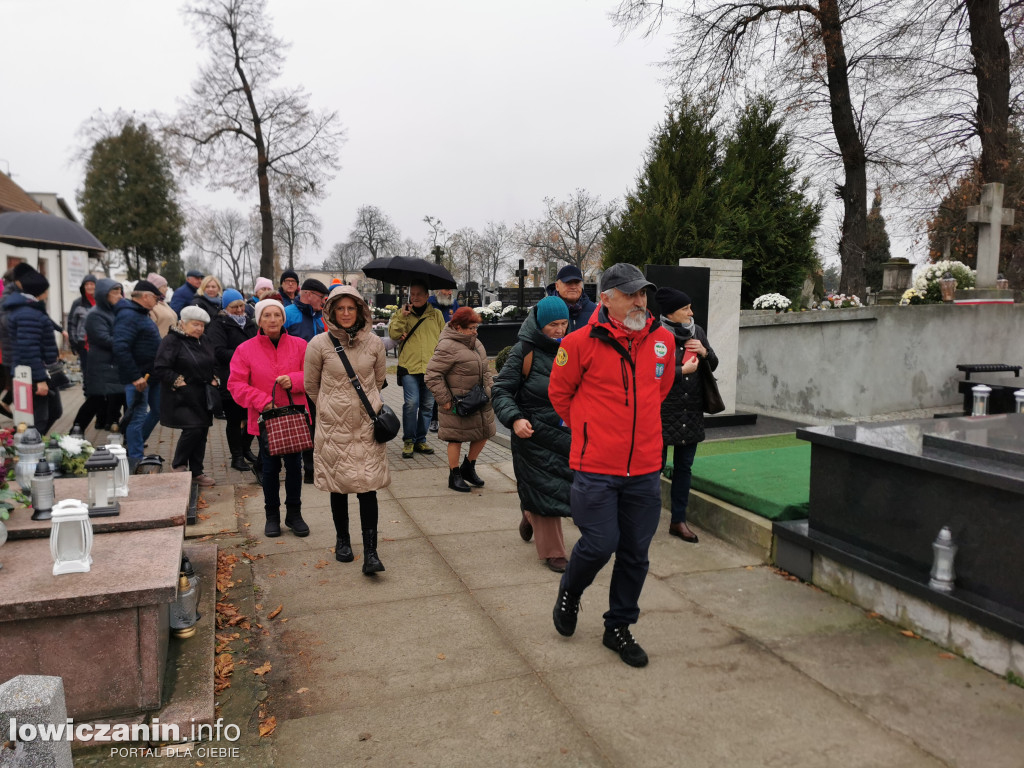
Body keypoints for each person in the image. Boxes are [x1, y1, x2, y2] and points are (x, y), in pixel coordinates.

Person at [547, 262, 675, 668]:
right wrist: (590, 431)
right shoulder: (581, 342)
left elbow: (662, 388)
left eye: (643, 293)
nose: (640, 301)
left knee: (635, 553)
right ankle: (571, 588)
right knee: (600, 543)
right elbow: (560, 394)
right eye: (631, 294)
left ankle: (617, 626)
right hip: (596, 466)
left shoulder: (662, 341)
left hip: (645, 468)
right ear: (606, 299)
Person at [304, 285, 389, 573]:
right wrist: (331, 409)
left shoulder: (375, 343)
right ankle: (343, 540)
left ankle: (371, 552)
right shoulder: (318, 344)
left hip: (366, 426)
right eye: (340, 308)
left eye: (351, 308)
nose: (345, 313)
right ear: (331, 311)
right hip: (334, 428)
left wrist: (363, 407)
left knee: (368, 488)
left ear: (361, 310)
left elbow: (378, 381)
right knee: (338, 487)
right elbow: (311, 387)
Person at [491, 296, 573, 572]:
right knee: (544, 488)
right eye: (553, 325)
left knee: (564, 487)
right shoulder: (523, 350)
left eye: (564, 323)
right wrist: (515, 419)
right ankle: (554, 551)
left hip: (567, 432)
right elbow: (501, 390)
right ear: (539, 324)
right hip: (533, 434)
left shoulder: (573, 348)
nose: (560, 330)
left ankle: (530, 513)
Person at [228, 299, 310, 538]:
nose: (272, 320)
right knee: (270, 469)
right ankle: (271, 515)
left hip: (294, 416)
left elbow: (314, 375)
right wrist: (262, 401)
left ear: (284, 319)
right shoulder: (245, 350)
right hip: (265, 418)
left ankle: (294, 514)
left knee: (295, 467)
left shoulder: (300, 345)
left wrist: (294, 380)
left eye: (277, 315)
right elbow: (236, 384)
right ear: (259, 321)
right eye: (267, 316)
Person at [656, 287, 718, 544]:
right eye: (685, 308)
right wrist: (681, 369)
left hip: (690, 410)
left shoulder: (698, 331)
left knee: (685, 468)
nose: (691, 313)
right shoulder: (656, 334)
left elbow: (712, 364)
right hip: (661, 411)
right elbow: (652, 372)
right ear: (671, 312)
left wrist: (704, 352)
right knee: (652, 469)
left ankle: (678, 521)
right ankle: (643, 519)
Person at [425, 307, 496, 492]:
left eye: (476, 327)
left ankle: (468, 467)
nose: (475, 331)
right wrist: (445, 400)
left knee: (484, 433)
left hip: (480, 401)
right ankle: (454, 474)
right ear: (458, 327)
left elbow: (486, 369)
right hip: (458, 402)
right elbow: (432, 375)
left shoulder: (476, 342)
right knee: (456, 439)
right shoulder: (447, 346)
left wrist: (489, 390)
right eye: (471, 327)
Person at [153, 306, 218, 486]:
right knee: (193, 429)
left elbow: (213, 361)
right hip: (181, 395)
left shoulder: (204, 340)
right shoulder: (172, 340)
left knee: (202, 431)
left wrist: (214, 378)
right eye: (195, 325)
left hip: (202, 395)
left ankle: (197, 472)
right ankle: (179, 465)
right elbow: (160, 367)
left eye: (202, 326)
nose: (199, 329)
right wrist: (178, 381)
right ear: (183, 323)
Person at [389, 280, 445, 458]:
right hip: (409, 367)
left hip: (431, 368)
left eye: (418, 294)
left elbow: (444, 338)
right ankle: (408, 440)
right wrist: (401, 317)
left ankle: (421, 440)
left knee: (427, 406)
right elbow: (394, 334)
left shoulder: (436, 315)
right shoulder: (403, 313)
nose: (414, 297)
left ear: (427, 296)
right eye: (412, 294)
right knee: (411, 404)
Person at [113, 280, 164, 465]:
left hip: (152, 375)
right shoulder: (128, 315)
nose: (157, 302)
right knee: (137, 416)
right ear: (145, 296)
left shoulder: (141, 314)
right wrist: (135, 377)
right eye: (155, 298)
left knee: (158, 410)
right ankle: (135, 458)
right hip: (139, 378)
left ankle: (137, 444)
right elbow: (120, 347)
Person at [206, 289, 257, 472]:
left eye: (241, 305)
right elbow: (218, 351)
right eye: (233, 307)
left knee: (253, 416)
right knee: (235, 420)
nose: (238, 309)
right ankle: (237, 457)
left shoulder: (250, 324)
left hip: (252, 378)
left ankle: (245, 448)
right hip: (231, 378)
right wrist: (244, 355)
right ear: (225, 307)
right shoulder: (219, 324)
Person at [284, 278, 329, 483]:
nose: (323, 302)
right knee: (301, 425)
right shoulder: (288, 314)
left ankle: (314, 468)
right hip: (294, 380)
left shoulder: (320, 317)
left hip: (318, 378)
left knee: (316, 423)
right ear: (309, 295)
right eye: (321, 297)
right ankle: (304, 467)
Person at [7, 271, 61, 433]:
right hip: (32, 374)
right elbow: (28, 348)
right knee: (38, 418)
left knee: (54, 411)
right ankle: (29, 451)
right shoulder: (27, 313)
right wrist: (39, 380)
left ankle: (35, 444)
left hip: (42, 371)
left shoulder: (32, 309)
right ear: (41, 291)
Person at [76, 278, 126, 432]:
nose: (119, 296)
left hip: (113, 364)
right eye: (115, 292)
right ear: (104, 294)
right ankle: (76, 430)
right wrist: (127, 341)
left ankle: (125, 432)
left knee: (122, 397)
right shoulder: (95, 314)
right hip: (100, 364)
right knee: (96, 399)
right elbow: (103, 339)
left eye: (120, 292)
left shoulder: (114, 311)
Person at [427, 288, 460, 432]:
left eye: (451, 290)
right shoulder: (430, 303)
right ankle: (434, 419)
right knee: (437, 387)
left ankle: (450, 418)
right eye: (446, 290)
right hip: (434, 350)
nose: (449, 293)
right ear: (438, 290)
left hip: (452, 350)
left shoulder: (454, 304)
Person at [546, 265, 597, 333]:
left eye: (577, 282)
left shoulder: (595, 311)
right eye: (568, 282)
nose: (573, 287)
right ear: (557, 286)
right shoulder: (544, 309)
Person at [67, 274, 96, 371]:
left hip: (99, 343)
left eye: (92, 284)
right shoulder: (78, 303)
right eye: (86, 284)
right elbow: (72, 323)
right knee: (87, 371)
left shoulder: (101, 301)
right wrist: (74, 342)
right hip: (83, 344)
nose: (89, 287)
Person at [145, 273, 178, 337]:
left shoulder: (163, 303)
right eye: (164, 286)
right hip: (160, 344)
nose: (167, 289)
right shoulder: (151, 306)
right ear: (156, 288)